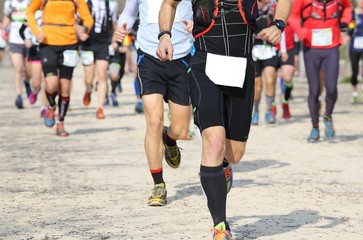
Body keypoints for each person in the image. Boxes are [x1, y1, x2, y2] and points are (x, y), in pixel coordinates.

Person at [157, 0, 291, 238]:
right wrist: (164, 36)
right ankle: (221, 226)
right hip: (204, 65)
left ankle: (223, 167)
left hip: (241, 68)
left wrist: (279, 24)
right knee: (214, 140)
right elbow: (169, 4)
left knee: (234, 154)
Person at [114, 0, 194, 207]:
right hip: (149, 57)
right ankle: (158, 184)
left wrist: (196, 26)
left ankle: (169, 138)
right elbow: (130, 14)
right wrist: (121, 28)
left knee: (182, 128)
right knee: (154, 122)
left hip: (182, 56)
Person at [26, 0, 94, 136]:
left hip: (70, 45)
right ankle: (51, 106)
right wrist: (36, 32)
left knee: (65, 86)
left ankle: (60, 123)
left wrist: (84, 28)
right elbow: (30, 12)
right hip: (48, 44)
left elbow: (88, 18)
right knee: (51, 85)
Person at [289, 0, 352, 142]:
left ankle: (328, 115)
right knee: (315, 90)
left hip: (332, 46)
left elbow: (347, 7)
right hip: (311, 48)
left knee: (331, 88)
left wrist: (345, 20)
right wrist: (300, 31)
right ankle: (315, 127)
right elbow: (293, 16)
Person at [80, 0, 118, 119]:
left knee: (102, 76)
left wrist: (114, 40)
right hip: (88, 44)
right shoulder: (84, 3)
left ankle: (100, 108)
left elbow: (114, 24)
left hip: (103, 43)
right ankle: (88, 89)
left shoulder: (112, 5)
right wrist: (80, 33)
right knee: (89, 79)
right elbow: (76, 21)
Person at [251, 0, 280, 125]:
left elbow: (281, 28)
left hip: (269, 49)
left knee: (270, 80)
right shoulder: (250, 7)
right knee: (257, 85)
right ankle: (255, 111)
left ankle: (269, 111)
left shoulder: (273, 8)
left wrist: (282, 49)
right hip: (254, 50)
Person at [2, 0, 31, 109]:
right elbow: (7, 16)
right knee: (18, 68)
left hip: (29, 39)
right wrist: (4, 30)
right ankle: (19, 96)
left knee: (29, 71)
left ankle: (27, 82)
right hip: (14, 40)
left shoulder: (31, 2)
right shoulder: (9, 3)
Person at [19, 11, 49, 117]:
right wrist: (26, 40)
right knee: (36, 82)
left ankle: (44, 107)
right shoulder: (33, 14)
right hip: (35, 51)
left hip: (48, 49)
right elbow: (21, 30)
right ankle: (35, 91)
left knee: (46, 82)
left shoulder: (53, 11)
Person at [279, 15, 297, 119]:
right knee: (270, 80)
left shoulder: (293, 10)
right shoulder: (272, 7)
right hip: (273, 48)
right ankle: (271, 106)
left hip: (290, 48)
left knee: (288, 78)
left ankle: (285, 102)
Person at [347, 0, 363, 103]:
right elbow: (349, 28)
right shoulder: (352, 13)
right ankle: (354, 92)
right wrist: (347, 35)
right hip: (354, 46)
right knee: (354, 71)